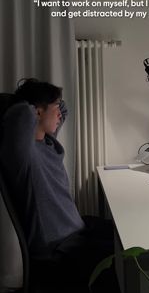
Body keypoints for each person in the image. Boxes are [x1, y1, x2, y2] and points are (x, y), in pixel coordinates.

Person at [0, 78, 120, 293]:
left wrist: (51, 103)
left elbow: (61, 111)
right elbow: (19, 114)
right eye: (54, 107)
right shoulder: (23, 155)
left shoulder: (46, 144)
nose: (60, 114)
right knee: (123, 256)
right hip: (57, 250)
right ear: (36, 112)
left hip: (75, 232)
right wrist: (31, 101)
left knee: (121, 233)